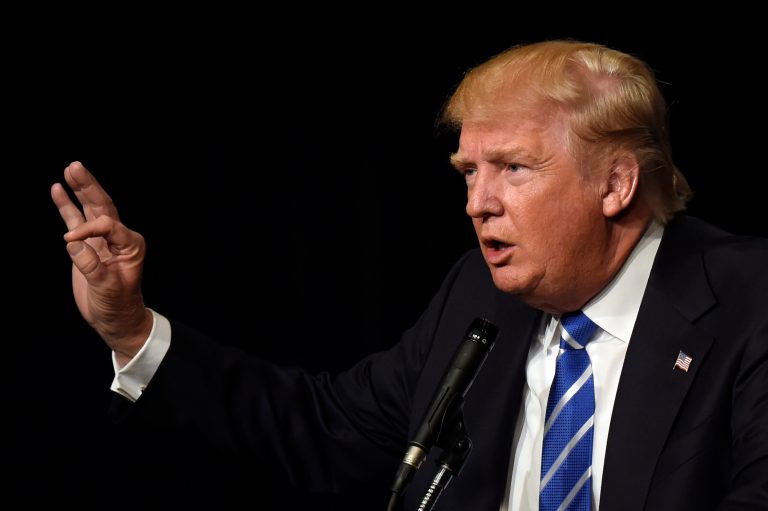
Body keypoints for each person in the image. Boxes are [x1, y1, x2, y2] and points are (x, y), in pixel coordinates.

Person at [51, 40, 767, 510]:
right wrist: (131, 329)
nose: (476, 201)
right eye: (468, 172)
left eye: (513, 168)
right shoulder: (481, 293)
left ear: (615, 185)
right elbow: (326, 428)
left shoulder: (745, 303)